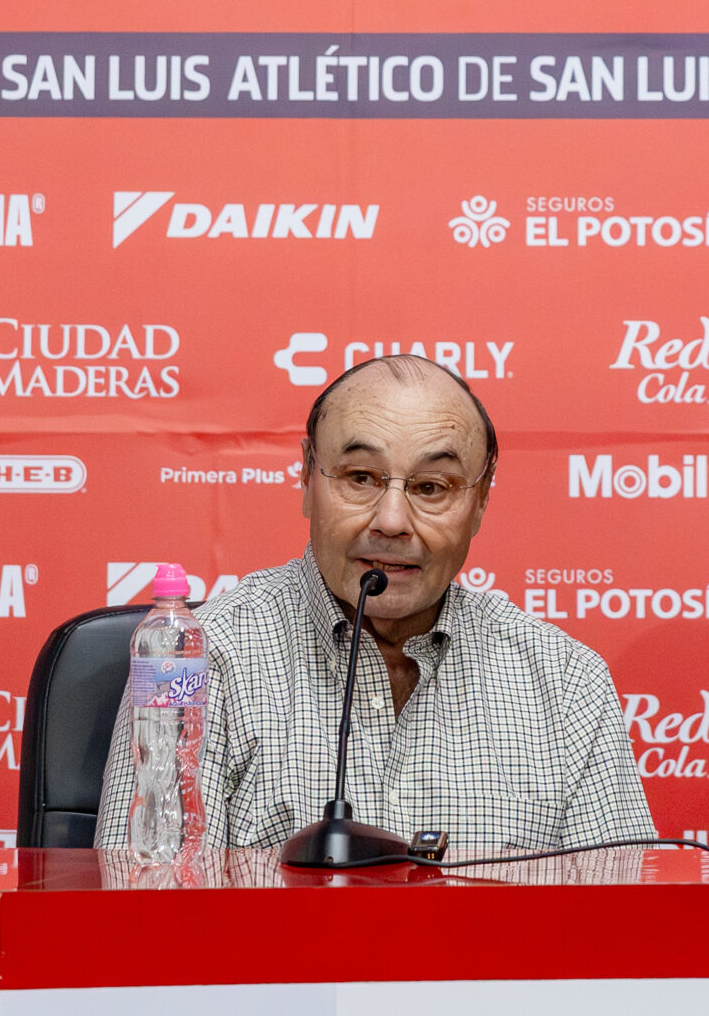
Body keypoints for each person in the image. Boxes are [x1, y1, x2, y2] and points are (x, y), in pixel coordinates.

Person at [95, 354, 655, 852]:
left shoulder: (565, 680)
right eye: (360, 478)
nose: (391, 521)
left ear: (481, 501)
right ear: (306, 477)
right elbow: (146, 899)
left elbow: (622, 916)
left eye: (432, 487)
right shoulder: (197, 660)